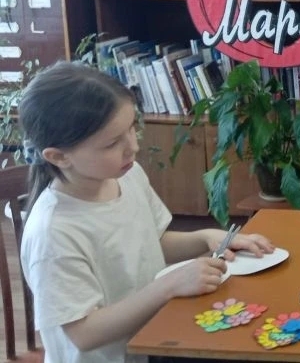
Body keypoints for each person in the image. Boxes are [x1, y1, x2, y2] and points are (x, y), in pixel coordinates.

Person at [18, 62, 274, 363]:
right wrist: (167, 287)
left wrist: (207, 238)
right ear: (59, 156)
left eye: (131, 129)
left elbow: (152, 241)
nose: (133, 147)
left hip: (155, 341)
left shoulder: (125, 176)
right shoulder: (53, 232)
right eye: (112, 143)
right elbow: (84, 333)